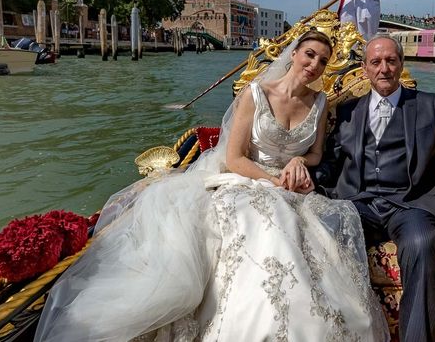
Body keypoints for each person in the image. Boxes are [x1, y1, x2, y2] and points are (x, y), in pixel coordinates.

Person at [35, 30, 388, 342]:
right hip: (249, 179)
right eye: (309, 54)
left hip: (293, 188)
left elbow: (315, 154)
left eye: (323, 61)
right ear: (294, 53)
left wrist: (299, 163)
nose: (314, 64)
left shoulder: (319, 102)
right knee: (266, 225)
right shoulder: (256, 93)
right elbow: (235, 159)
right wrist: (273, 181)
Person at [315, 35, 435, 342]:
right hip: (358, 203)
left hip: (410, 204)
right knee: (324, 233)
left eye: (391, 61)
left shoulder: (426, 104)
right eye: (376, 62)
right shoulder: (347, 111)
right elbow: (331, 161)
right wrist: (304, 174)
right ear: (366, 68)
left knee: (422, 242)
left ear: (400, 64)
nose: (384, 69)